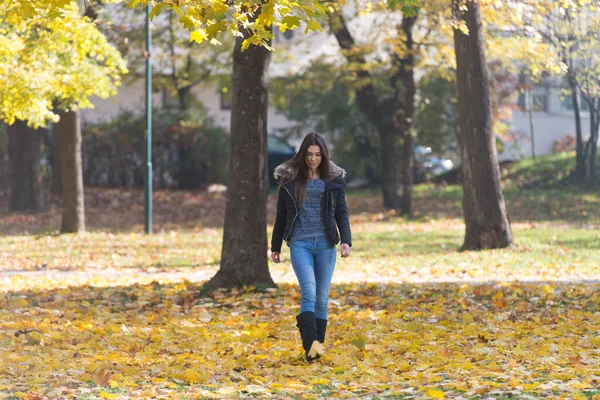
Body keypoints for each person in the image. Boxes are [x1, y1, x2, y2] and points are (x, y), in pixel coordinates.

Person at [270, 132, 352, 362]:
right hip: (300, 243)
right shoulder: (290, 179)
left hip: (326, 244)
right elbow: (281, 215)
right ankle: (310, 349)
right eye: (309, 154)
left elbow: (341, 212)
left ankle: (317, 350)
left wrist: (345, 240)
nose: (313, 159)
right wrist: (275, 246)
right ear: (303, 154)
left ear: (323, 156)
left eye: (317, 155)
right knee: (309, 291)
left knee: (322, 298)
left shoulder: (333, 179)